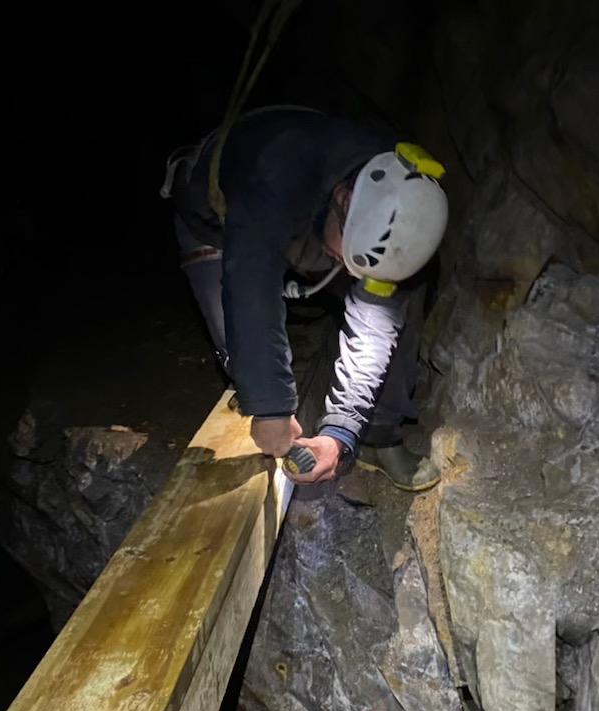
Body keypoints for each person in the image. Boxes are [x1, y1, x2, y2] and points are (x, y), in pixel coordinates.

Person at [160, 106, 447, 490]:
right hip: (214, 215)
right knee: (241, 347)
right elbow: (251, 284)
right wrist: (271, 405)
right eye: (348, 261)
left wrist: (341, 431)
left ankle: (378, 437)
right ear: (344, 199)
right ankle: (249, 390)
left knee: (396, 306)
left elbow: (374, 331)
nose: (348, 274)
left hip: (317, 222)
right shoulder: (279, 173)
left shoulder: (398, 206)